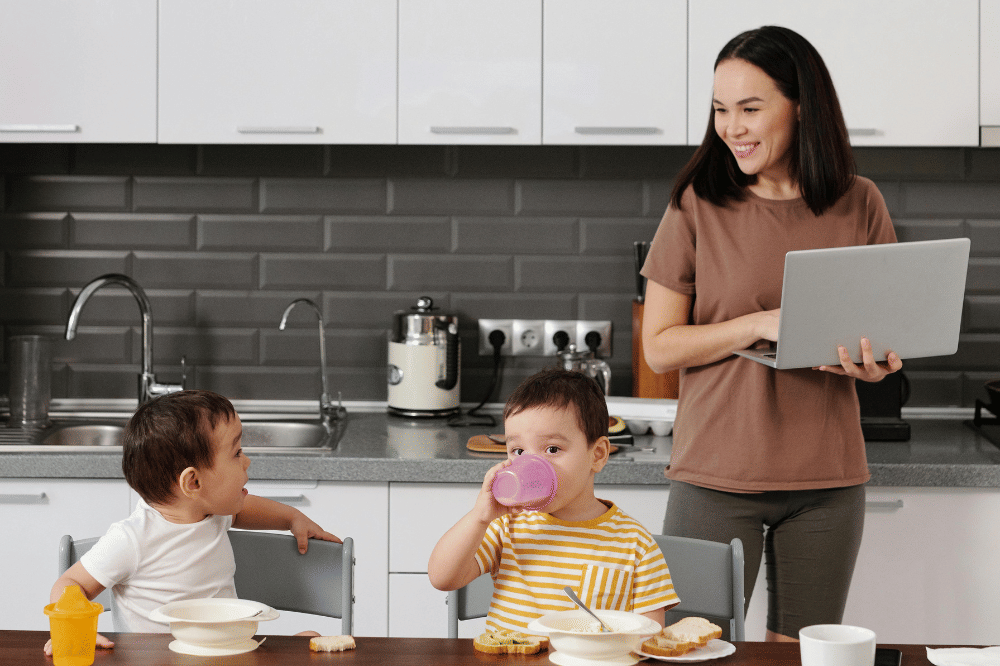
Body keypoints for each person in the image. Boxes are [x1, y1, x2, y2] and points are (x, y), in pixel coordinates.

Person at [640, 25, 903, 642]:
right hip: (714, 475)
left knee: (803, 656)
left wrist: (876, 364)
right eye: (720, 110)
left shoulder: (860, 202)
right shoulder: (696, 205)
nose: (732, 127)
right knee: (691, 648)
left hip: (827, 481)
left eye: (750, 109)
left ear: (801, 106)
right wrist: (759, 324)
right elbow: (659, 345)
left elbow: (886, 341)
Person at [43, 390, 340, 655]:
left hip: (229, 653)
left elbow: (244, 508)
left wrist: (292, 518)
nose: (247, 461)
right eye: (236, 453)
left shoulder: (214, 511)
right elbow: (71, 583)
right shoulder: (132, 539)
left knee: (309, 639)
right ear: (193, 482)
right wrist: (69, 629)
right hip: (160, 661)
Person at [428, 368, 679, 631]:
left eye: (552, 449)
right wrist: (480, 517)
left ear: (598, 455)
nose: (532, 464)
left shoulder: (635, 544)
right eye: (518, 451)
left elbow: (650, 640)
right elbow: (442, 578)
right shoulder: (507, 526)